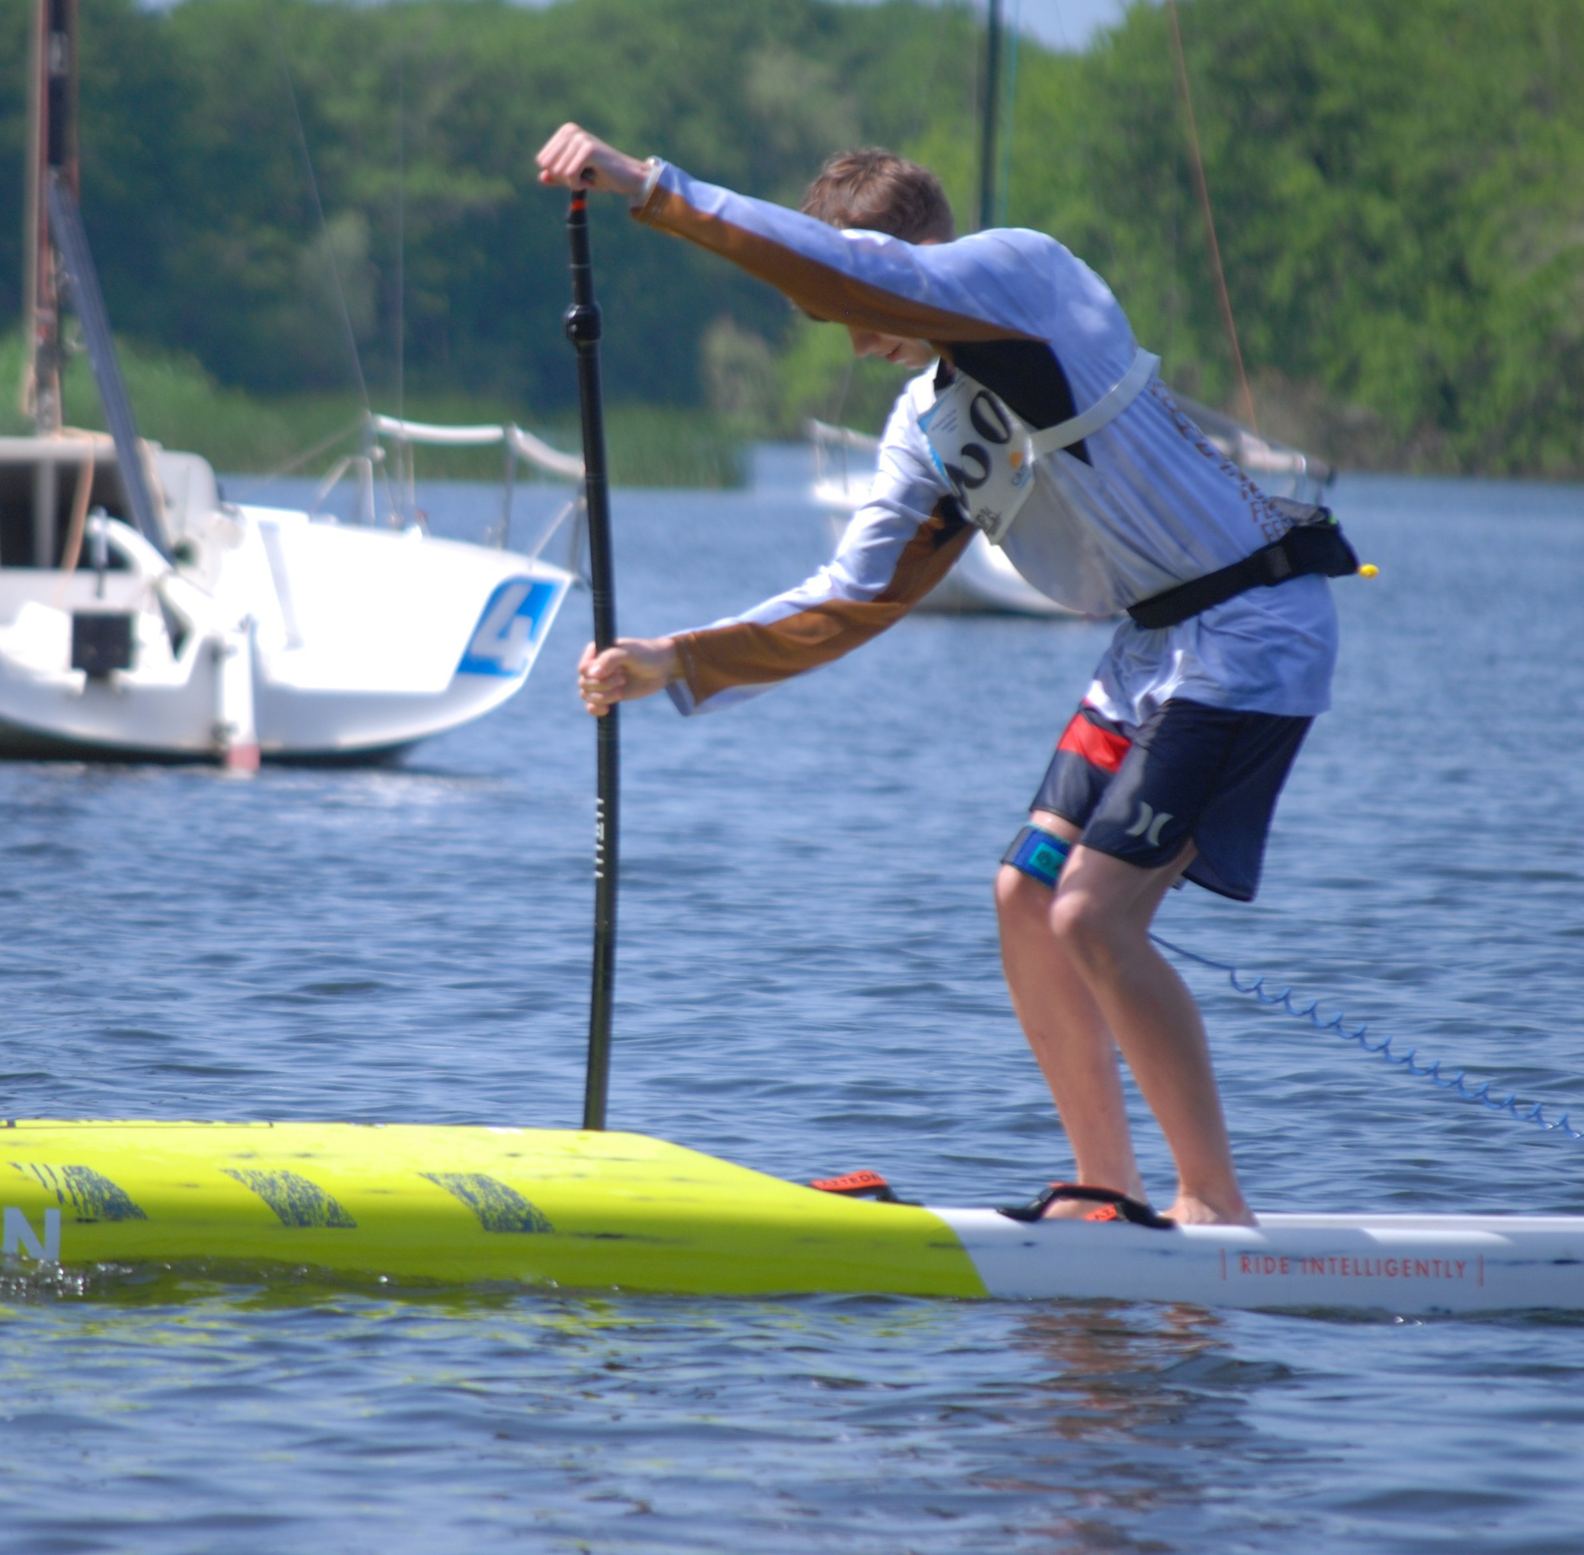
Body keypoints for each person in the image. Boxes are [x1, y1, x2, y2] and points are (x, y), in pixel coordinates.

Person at [537, 124, 1358, 1227]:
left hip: (1254, 623)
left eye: (852, 309)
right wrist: (673, 659)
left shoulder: (1019, 276)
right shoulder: (924, 426)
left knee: (1093, 919)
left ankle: (1211, 1202)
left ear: (915, 254)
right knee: (1024, 897)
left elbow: (868, 276)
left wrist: (651, 189)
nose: (852, 337)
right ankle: (1101, 1191)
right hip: (1149, 653)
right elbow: (853, 597)